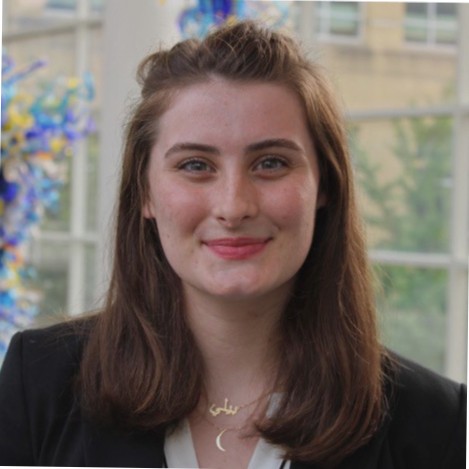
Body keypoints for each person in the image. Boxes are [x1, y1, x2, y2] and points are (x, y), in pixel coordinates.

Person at [0, 20, 465, 469]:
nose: (233, 206)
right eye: (195, 165)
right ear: (145, 193)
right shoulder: (39, 381)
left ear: (324, 185)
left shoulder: (439, 424)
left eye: (271, 163)